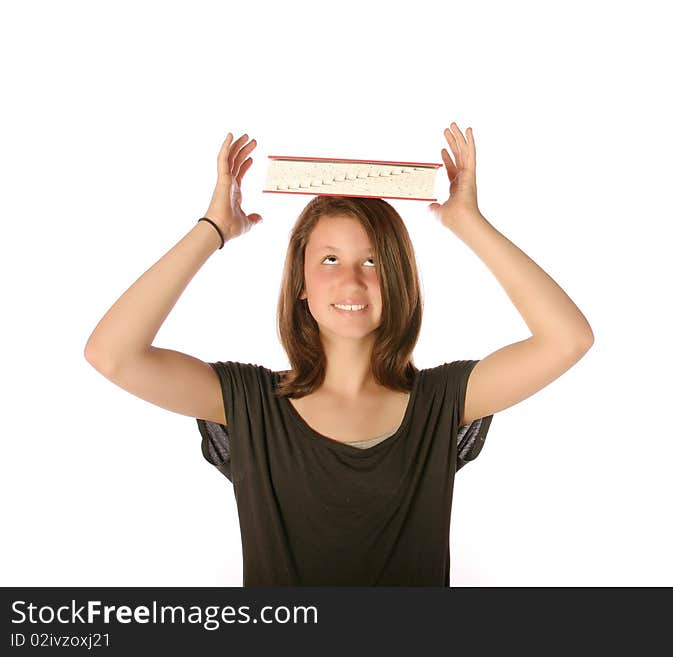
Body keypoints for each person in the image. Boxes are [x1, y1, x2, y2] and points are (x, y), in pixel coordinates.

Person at [84, 122, 595, 586]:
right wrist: (214, 228)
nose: (352, 279)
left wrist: (467, 221)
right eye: (330, 259)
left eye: (372, 260)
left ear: (397, 280)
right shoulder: (250, 402)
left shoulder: (443, 400)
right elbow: (112, 353)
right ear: (301, 283)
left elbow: (566, 339)